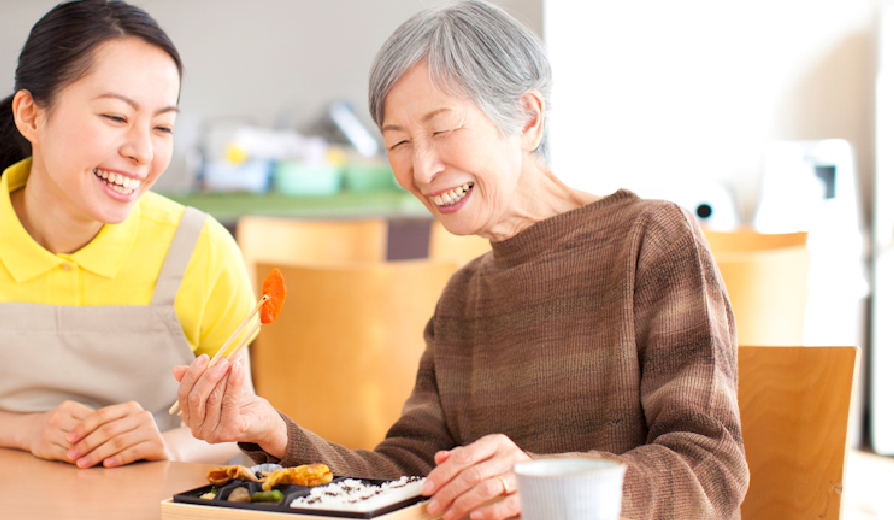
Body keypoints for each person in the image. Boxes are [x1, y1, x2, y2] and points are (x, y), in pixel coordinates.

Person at [174, 1, 750, 518]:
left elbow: (709, 468)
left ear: (527, 120)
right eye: (398, 142)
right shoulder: (464, 296)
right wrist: (273, 432)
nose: (421, 170)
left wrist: (542, 484)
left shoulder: (650, 239)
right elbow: (410, 472)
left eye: (443, 130)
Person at [0, 0, 256, 469]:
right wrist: (25, 429)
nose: (142, 152)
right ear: (30, 116)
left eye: (162, 126)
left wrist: (167, 442)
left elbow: (244, 430)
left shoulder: (200, 249)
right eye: (116, 117)